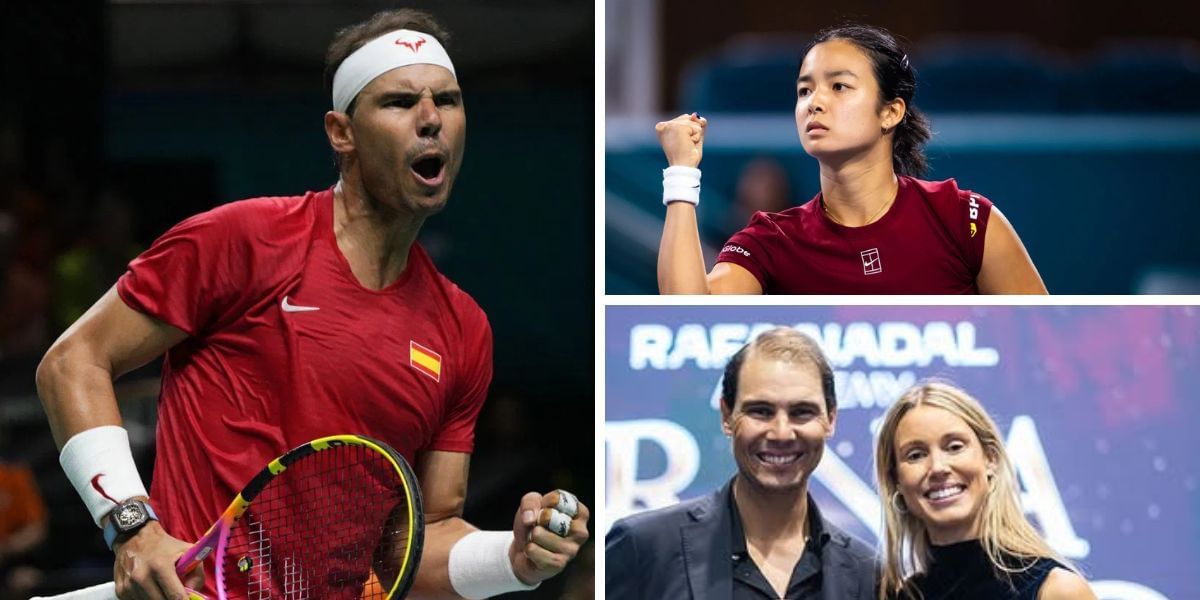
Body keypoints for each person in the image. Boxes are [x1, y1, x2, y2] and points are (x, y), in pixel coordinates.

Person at [35, 9, 588, 600]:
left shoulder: (463, 329)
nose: (431, 120)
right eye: (400, 102)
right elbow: (74, 362)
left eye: (447, 100)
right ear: (341, 132)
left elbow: (420, 542)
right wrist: (133, 528)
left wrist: (514, 559)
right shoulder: (243, 240)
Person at [656, 23, 1047, 294]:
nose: (815, 103)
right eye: (804, 91)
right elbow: (687, 309)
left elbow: (1044, 335)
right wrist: (681, 173)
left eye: (839, 86)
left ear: (891, 112)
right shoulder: (771, 241)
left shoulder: (967, 220)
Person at [605, 328, 877, 599]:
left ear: (830, 419)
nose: (781, 433)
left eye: (801, 412)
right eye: (760, 411)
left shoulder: (870, 574)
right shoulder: (643, 548)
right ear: (727, 416)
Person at [874, 381, 1094, 599]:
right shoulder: (901, 596)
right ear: (896, 480)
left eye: (954, 447)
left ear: (991, 458)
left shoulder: (1057, 590)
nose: (938, 468)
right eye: (916, 455)